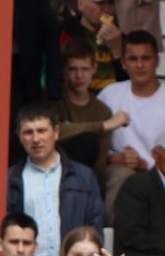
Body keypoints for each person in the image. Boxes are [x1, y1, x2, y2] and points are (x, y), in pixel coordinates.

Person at [7, 104, 107, 256]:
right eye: (28, 132)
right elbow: (6, 231)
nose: (36, 139)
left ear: (56, 133)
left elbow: (94, 230)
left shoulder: (84, 177)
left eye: (42, 130)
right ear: (20, 137)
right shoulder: (10, 179)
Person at [96, 29, 165, 210]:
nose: (140, 65)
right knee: (122, 175)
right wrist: (112, 158)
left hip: (160, 170)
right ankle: (115, 237)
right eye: (133, 59)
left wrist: (143, 164)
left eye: (146, 58)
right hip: (120, 169)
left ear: (157, 61)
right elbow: (94, 142)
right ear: (123, 63)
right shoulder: (109, 94)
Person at [51, 37, 130, 170]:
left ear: (94, 68)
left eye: (85, 69)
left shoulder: (102, 111)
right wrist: (104, 125)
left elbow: (98, 163)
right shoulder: (53, 100)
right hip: (52, 172)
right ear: (64, 69)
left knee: (88, 143)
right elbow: (51, 132)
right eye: (73, 69)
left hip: (85, 182)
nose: (79, 75)